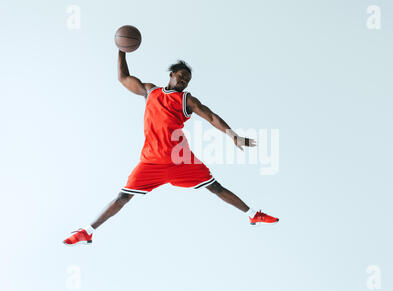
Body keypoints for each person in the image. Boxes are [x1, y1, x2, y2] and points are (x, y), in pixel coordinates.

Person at [63, 51, 279, 245]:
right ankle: (87, 231)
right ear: (171, 74)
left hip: (180, 160)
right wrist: (121, 51)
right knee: (122, 197)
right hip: (151, 162)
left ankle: (253, 214)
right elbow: (124, 78)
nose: (184, 81)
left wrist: (234, 136)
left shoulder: (186, 99)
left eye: (187, 80)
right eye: (181, 76)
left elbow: (211, 116)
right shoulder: (150, 92)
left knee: (215, 187)